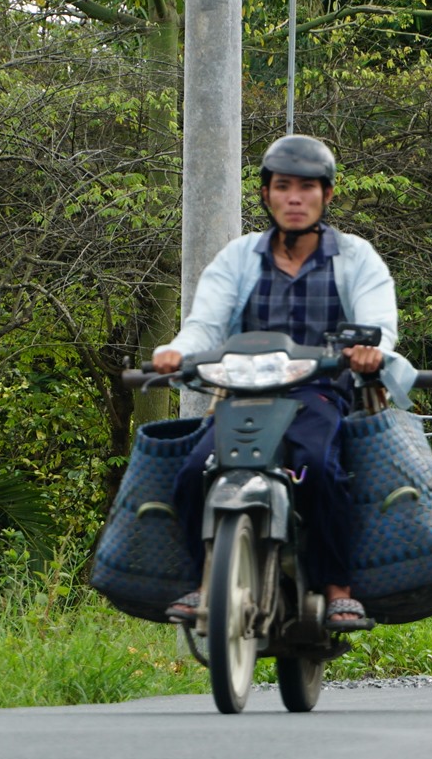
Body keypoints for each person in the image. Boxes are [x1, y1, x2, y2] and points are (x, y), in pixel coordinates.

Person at [149, 134, 413, 629]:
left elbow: (380, 323)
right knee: (189, 473)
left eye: (307, 188)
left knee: (319, 467)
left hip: (318, 393)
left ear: (327, 196)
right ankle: (205, 582)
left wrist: (370, 351)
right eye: (283, 186)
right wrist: (176, 353)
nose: (295, 198)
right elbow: (205, 323)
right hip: (240, 393)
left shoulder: (356, 259)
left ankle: (337, 587)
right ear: (266, 194)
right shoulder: (238, 258)